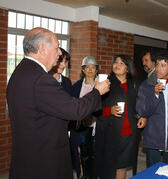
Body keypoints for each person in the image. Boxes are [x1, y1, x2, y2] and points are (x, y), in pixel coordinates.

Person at [6, 27, 110, 179]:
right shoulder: (41, 80)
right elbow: (76, 110)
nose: (60, 53)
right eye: (56, 48)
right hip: (44, 162)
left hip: (26, 157)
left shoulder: (19, 72)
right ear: (42, 49)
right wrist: (97, 92)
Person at [95, 55, 138, 179]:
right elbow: (93, 108)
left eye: (121, 63)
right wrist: (110, 110)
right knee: (108, 167)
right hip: (110, 133)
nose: (117, 65)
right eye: (115, 62)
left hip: (129, 134)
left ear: (128, 68)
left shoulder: (134, 85)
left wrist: (142, 116)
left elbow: (138, 106)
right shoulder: (105, 84)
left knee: (122, 166)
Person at [71, 56, 100, 178]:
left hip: (96, 126)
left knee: (95, 154)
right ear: (83, 70)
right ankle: (84, 175)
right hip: (82, 126)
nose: (90, 70)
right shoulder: (77, 86)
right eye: (87, 67)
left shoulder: (101, 85)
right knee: (82, 153)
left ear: (96, 70)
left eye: (93, 67)